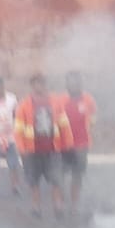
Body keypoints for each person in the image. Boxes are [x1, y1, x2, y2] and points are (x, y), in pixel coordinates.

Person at [15, 73, 73, 219]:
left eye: (41, 83)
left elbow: (64, 124)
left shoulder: (55, 102)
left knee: (56, 179)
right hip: (32, 150)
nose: (39, 86)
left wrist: (68, 145)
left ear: (45, 85)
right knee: (33, 181)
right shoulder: (24, 105)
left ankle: (58, 206)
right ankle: (36, 207)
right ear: (32, 86)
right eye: (36, 83)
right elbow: (18, 130)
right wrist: (22, 149)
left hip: (53, 149)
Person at [57, 71, 97, 210]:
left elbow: (92, 119)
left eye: (76, 82)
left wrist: (90, 129)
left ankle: (74, 203)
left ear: (80, 83)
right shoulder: (60, 100)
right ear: (66, 84)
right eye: (70, 82)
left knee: (77, 175)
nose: (73, 85)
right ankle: (61, 202)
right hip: (63, 144)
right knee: (60, 174)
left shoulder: (88, 100)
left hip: (81, 144)